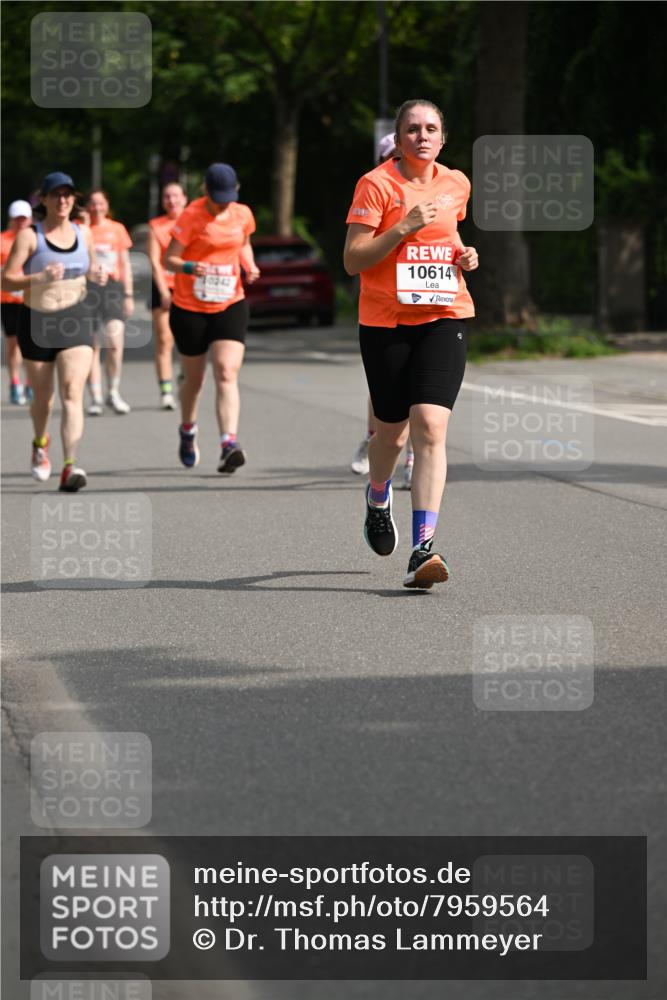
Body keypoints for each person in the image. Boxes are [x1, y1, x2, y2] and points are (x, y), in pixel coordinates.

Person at [344, 100, 478, 589]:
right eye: (413, 129)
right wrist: (403, 226)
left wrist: (464, 255)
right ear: (398, 139)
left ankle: (423, 548)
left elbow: (450, 233)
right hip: (386, 323)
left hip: (445, 315)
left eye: (431, 129)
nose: (422, 136)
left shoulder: (457, 183)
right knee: (392, 434)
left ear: (443, 138)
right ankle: (378, 496)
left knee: (430, 426)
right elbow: (353, 260)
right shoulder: (376, 185)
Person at [2, 171, 108, 491]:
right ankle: (40, 443)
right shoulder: (29, 237)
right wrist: (39, 278)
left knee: (73, 391)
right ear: (44, 200)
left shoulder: (83, 233)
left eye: (68, 194)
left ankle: (70, 465)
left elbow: (89, 267)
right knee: (44, 401)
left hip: (75, 317)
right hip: (37, 321)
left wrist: (97, 274)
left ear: (74, 200)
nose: (62, 200)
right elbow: (6, 280)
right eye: (56, 194)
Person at [164, 163, 259, 472]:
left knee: (226, 371)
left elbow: (243, 243)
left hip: (230, 301)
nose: (222, 204)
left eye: (227, 198)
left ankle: (228, 442)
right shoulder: (190, 216)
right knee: (195, 379)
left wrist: (249, 265)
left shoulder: (241, 213)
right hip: (190, 307)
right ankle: (188, 429)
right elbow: (170, 259)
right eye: (217, 198)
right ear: (205, 190)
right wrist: (190, 267)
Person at [349, 134, 414, 488]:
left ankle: (413, 460)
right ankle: (374, 439)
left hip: (425, 309)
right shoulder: (374, 189)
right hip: (384, 308)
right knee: (384, 391)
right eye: (391, 155)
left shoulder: (434, 188)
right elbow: (356, 253)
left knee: (423, 396)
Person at [85, 189, 133, 415]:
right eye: (92, 204)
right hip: (88, 289)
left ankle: (113, 391)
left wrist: (129, 294)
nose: (96, 208)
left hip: (113, 287)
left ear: (107, 205)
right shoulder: (81, 229)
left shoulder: (117, 229)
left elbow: (125, 263)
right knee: (92, 345)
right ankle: (95, 396)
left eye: (100, 203)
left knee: (114, 341)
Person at [147, 182, 188, 410]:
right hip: (163, 286)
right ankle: (166, 390)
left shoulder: (192, 222)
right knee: (165, 339)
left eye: (175, 196)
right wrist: (163, 290)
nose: (171, 200)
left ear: (184, 198)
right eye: (167, 196)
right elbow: (154, 261)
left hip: (187, 286)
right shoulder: (156, 225)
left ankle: (185, 375)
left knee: (187, 338)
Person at [1, 200, 33, 404]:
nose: (21, 222)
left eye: (24, 218)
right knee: (13, 343)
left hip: (30, 298)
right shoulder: (3, 240)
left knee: (30, 343)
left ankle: (31, 383)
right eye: (17, 218)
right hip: (8, 299)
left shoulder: (36, 239)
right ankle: (15, 383)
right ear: (12, 219)